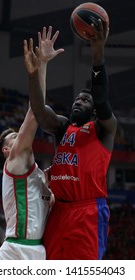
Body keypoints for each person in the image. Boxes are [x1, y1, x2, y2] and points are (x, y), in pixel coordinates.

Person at [25, 20, 117, 260]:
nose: (78, 101)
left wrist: (97, 52)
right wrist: (35, 73)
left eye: (85, 101)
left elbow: (101, 96)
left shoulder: (104, 129)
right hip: (58, 211)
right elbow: (39, 111)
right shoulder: (63, 127)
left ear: (95, 110)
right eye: (76, 98)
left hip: (87, 211)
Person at [0, 26, 64, 260]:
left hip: (38, 250)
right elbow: (35, 113)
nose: (20, 138)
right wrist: (42, 66)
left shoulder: (39, 176)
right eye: (14, 138)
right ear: (7, 150)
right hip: (15, 250)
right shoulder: (15, 160)